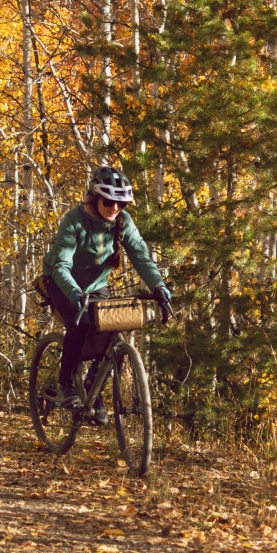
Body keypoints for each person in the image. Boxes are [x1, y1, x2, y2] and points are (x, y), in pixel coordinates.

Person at [40, 165, 174, 422]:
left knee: (112, 327)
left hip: (95, 285)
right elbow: (61, 265)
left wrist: (158, 285)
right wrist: (74, 292)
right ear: (95, 197)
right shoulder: (75, 220)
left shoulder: (123, 222)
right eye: (109, 201)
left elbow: (141, 257)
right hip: (60, 281)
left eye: (121, 203)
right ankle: (65, 383)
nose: (115, 207)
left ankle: (93, 387)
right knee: (80, 324)